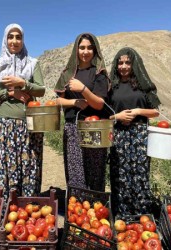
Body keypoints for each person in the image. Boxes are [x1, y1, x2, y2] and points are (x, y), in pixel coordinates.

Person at [0, 23, 45, 199]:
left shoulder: (33, 63)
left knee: (30, 165)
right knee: (6, 166)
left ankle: (29, 206)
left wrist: (22, 83)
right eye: (10, 37)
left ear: (23, 40)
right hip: (6, 124)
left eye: (18, 37)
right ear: (5, 40)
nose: (14, 41)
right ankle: (8, 207)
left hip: (30, 123)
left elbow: (41, 89)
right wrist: (9, 92)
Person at [108, 47, 162, 216]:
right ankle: (121, 215)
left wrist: (138, 111)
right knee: (119, 176)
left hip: (139, 135)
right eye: (120, 63)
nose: (123, 66)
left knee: (139, 174)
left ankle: (141, 215)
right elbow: (106, 115)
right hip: (118, 135)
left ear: (134, 64)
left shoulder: (143, 86)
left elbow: (156, 112)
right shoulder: (112, 87)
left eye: (128, 63)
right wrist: (118, 116)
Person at [54, 33, 110, 192]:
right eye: (82, 47)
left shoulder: (99, 73)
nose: (85, 51)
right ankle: (76, 208)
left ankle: (96, 208)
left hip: (94, 128)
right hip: (72, 128)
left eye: (89, 48)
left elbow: (99, 104)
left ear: (95, 50)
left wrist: (83, 89)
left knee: (95, 172)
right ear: (76, 50)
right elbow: (58, 101)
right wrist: (74, 102)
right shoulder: (68, 73)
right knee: (75, 172)